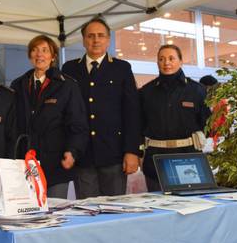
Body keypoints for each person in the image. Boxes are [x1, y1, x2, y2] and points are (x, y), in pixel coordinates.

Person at [62, 18, 142, 198]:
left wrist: (132, 151)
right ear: (83, 40)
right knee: (87, 212)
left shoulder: (121, 68)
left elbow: (132, 113)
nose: (95, 40)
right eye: (90, 36)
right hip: (82, 155)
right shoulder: (69, 69)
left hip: (114, 154)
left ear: (108, 40)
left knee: (114, 211)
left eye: (100, 36)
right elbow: (65, 113)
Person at [11, 35, 88, 198]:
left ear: (53, 56)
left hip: (56, 164)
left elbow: (78, 123)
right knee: (27, 214)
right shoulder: (18, 85)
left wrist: (73, 151)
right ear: (30, 55)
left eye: (45, 50)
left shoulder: (67, 85)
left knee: (53, 214)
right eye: (35, 50)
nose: (40, 54)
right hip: (24, 164)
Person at [139, 45, 211, 191]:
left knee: (191, 207)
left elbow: (207, 123)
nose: (166, 63)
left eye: (171, 58)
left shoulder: (197, 90)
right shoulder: (146, 92)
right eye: (161, 59)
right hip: (155, 160)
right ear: (157, 63)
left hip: (188, 158)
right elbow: (139, 125)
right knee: (159, 208)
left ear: (181, 61)